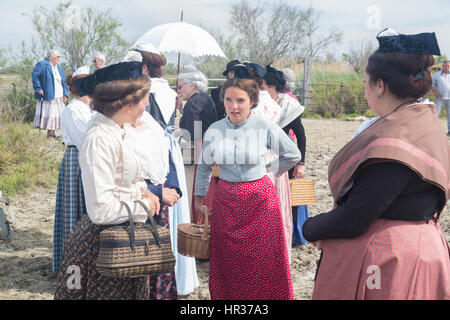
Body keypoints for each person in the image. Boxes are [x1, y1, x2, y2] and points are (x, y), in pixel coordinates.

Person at [302, 29, 450, 300]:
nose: (366, 90)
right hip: (420, 248)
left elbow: (357, 217)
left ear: (380, 86)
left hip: (393, 260)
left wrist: (310, 228)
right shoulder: (424, 121)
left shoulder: (397, 139)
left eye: (366, 82)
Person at [54, 61, 160, 300]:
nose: (146, 105)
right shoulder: (99, 139)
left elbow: (129, 177)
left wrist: (146, 191)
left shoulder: (119, 131)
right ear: (129, 104)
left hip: (126, 238)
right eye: (144, 100)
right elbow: (100, 210)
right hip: (102, 247)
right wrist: (146, 207)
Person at [194, 77, 300, 299]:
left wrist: (268, 168)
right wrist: (199, 198)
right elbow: (204, 167)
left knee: (263, 261)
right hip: (226, 203)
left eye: (240, 100)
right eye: (229, 100)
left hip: (260, 202)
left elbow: (292, 154)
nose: (234, 106)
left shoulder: (264, 126)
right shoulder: (214, 129)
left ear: (252, 101)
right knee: (228, 262)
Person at [133, 43, 199, 297]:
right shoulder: (170, 91)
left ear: (145, 66)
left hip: (154, 149)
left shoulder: (146, 91)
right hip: (168, 147)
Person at [52, 66, 96, 273]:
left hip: (89, 160)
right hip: (77, 160)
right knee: (74, 209)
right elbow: (84, 140)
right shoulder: (73, 109)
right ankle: (73, 264)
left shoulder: (90, 109)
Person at [263, 65, 308, 247]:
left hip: (283, 158)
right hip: (263, 158)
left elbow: (300, 135)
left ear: (272, 87)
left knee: (284, 199)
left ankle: (284, 235)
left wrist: (301, 162)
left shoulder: (289, 106)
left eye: (263, 85)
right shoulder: (259, 104)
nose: (260, 89)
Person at [177, 65, 218, 223]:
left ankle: (196, 223)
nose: (179, 91)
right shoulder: (205, 99)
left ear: (192, 85)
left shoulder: (193, 103)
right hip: (209, 147)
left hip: (197, 151)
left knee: (195, 189)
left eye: (180, 87)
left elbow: (193, 132)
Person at [31, 49, 69, 139]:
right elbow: (34, 75)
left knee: (57, 115)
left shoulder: (60, 68)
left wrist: (65, 93)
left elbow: (63, 81)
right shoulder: (42, 64)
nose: (59, 58)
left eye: (59, 57)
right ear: (51, 57)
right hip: (49, 94)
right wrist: (38, 88)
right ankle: (51, 134)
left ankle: (54, 133)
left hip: (59, 95)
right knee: (51, 114)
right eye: (57, 56)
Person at [431, 60, 450, 136]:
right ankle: (434, 131)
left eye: (448, 66)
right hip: (440, 98)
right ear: (442, 66)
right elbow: (432, 85)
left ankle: (449, 131)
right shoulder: (436, 75)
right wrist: (436, 93)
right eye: (445, 66)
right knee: (436, 114)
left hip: (449, 98)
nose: (446, 67)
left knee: (449, 114)